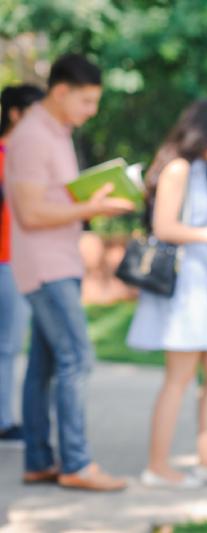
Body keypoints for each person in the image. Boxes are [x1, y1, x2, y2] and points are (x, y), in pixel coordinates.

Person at [5, 54, 133, 490]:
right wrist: (94, 207)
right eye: (87, 101)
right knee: (78, 358)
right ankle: (77, 465)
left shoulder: (56, 133)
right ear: (60, 92)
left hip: (62, 260)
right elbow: (29, 213)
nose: (91, 111)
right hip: (46, 267)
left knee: (44, 365)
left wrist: (87, 200)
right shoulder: (32, 137)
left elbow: (53, 199)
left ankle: (40, 461)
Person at [126, 100, 207, 488]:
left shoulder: (199, 170)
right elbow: (164, 226)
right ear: (204, 133)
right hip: (185, 286)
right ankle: (158, 466)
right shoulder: (178, 168)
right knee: (178, 377)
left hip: (204, 280)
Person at [0, 83, 44, 446]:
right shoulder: (6, 155)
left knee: (9, 345)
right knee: (7, 346)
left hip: (18, 260)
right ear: (15, 113)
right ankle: (3, 420)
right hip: (6, 261)